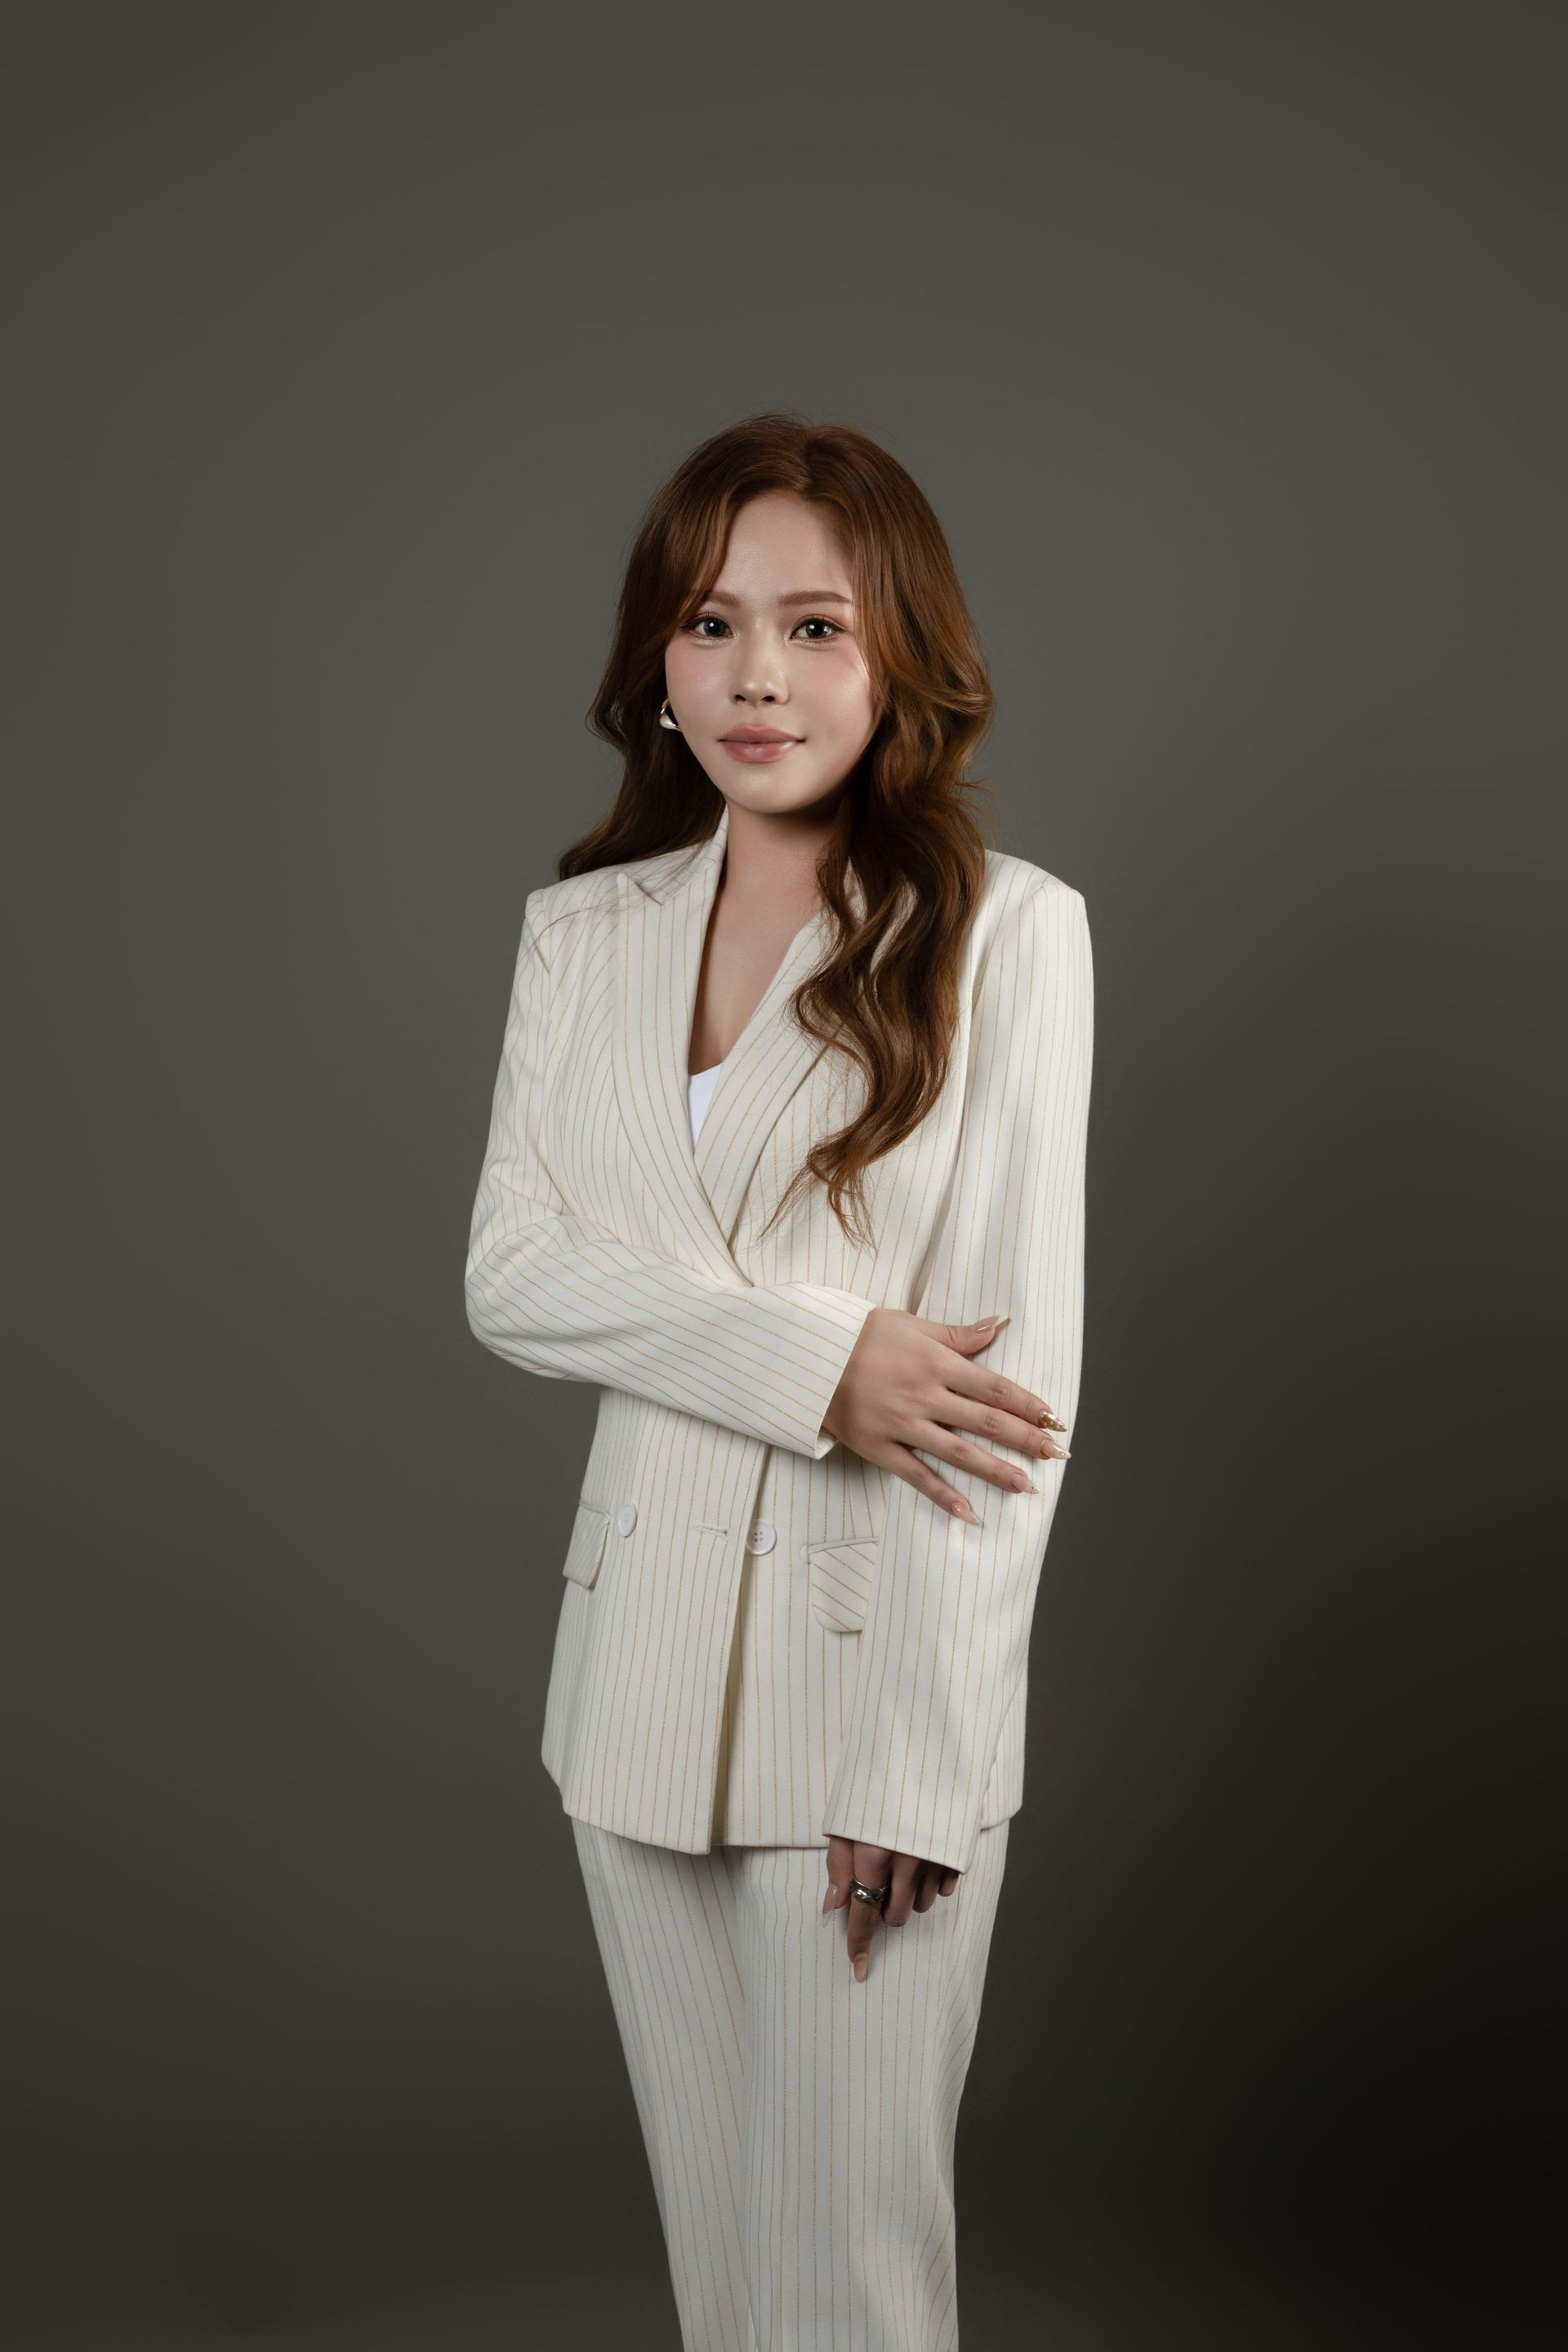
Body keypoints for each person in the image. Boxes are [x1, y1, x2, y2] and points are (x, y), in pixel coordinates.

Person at [464, 412, 1094, 2350]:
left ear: (900, 655)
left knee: (849, 2286)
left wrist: (920, 1764)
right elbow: (513, 1279)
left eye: (817, 626)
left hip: (864, 1703)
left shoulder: (1008, 936)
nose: (759, 676)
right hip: (629, 1689)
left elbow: (1006, 1412)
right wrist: (827, 1363)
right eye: (713, 623)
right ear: (658, 661)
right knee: (726, 2278)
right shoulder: (580, 936)